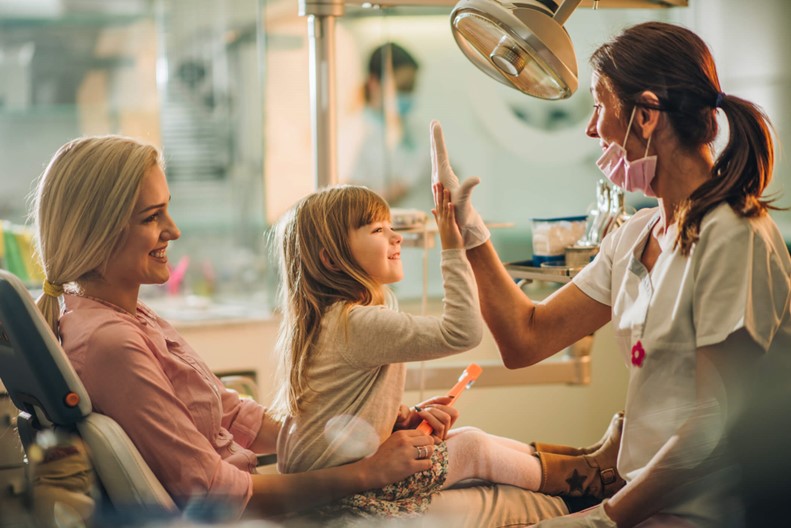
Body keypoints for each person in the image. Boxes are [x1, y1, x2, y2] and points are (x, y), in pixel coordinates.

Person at [430, 20, 791, 528]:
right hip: (638, 501)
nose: (591, 128)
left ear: (645, 116)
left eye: (599, 106)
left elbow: (711, 427)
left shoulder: (735, 236)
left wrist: (605, 518)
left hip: (706, 512)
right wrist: (470, 233)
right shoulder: (636, 235)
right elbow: (525, 340)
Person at [30, 135, 440, 522]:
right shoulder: (111, 344)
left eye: (167, 210)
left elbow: (232, 415)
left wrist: (367, 431)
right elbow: (215, 495)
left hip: (270, 494)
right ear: (97, 230)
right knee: (488, 491)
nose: (173, 231)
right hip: (254, 515)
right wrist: (368, 472)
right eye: (152, 217)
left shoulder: (127, 316)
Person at [271, 184, 587, 523]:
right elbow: (461, 332)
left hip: (323, 492)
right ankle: (587, 481)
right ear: (331, 260)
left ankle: (586, 466)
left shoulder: (327, 321)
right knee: (471, 449)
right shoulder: (356, 322)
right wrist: (453, 247)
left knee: (468, 439)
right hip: (344, 496)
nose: (397, 237)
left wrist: (397, 419)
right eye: (378, 230)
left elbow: (339, 414)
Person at [343, 42, 430, 207]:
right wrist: (405, 183)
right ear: (374, 83)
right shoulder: (353, 133)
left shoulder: (417, 130)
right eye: (402, 87)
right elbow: (353, 202)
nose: (408, 95)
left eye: (411, 88)